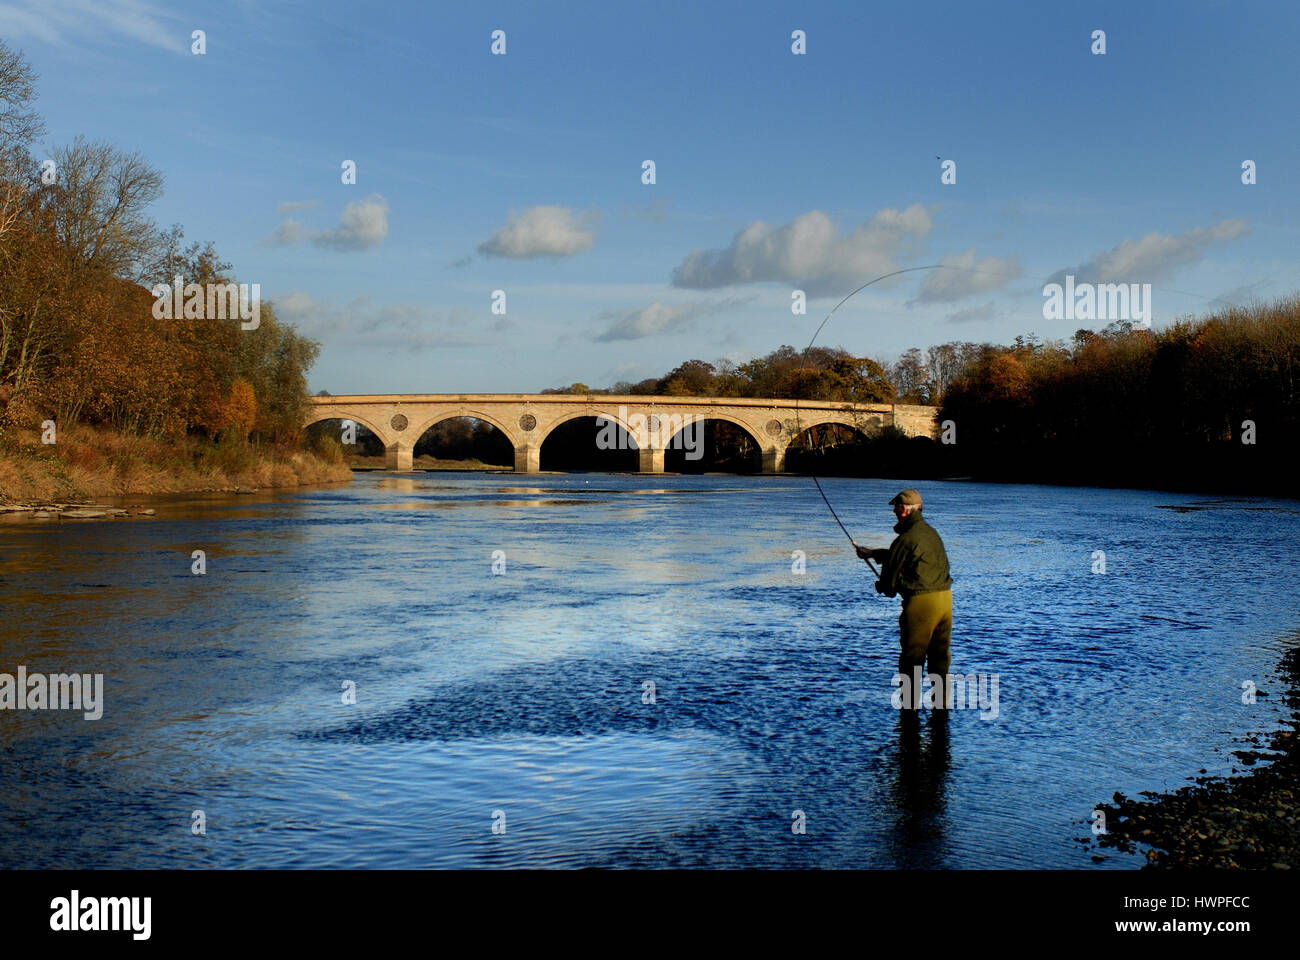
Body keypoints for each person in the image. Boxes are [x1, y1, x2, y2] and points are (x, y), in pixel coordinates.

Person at [854, 489, 953, 709]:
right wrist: (871, 553)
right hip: (945, 601)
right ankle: (942, 711)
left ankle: (909, 711)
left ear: (904, 510)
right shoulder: (931, 533)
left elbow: (889, 587)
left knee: (912, 660)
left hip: (921, 604)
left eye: (896, 509)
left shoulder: (905, 539)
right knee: (939, 659)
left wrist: (881, 585)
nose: (895, 513)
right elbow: (906, 556)